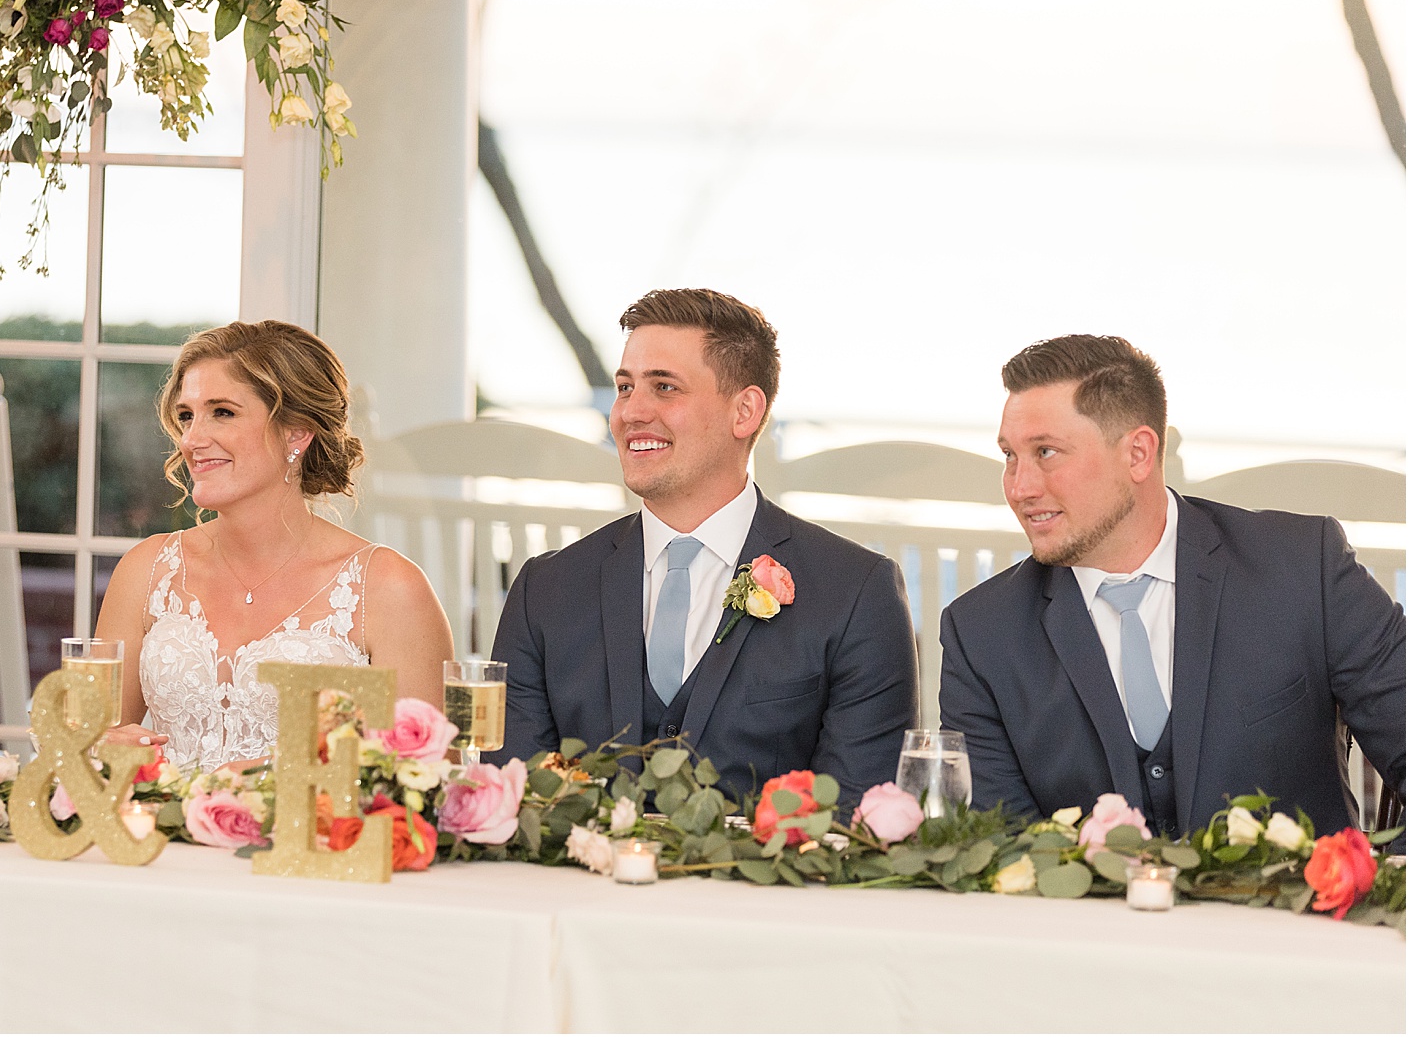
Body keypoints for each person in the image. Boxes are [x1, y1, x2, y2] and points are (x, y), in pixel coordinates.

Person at [939, 335, 1405, 838]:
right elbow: (1002, 852)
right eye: (1010, 455)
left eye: (1046, 452)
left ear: (1138, 453)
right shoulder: (979, 634)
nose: (1019, 486)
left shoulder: (1303, 568)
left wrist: (1378, 889)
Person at [487, 289, 918, 804]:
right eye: (624, 388)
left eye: (664, 387)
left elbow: (857, 817)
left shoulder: (855, 592)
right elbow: (512, 799)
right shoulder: (546, 589)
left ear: (745, 411)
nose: (630, 413)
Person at [95, 320, 453, 772]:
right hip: (160, 839)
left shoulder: (388, 589)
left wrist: (274, 777)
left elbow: (432, 779)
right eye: (187, 416)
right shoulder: (146, 570)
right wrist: (106, 751)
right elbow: (89, 749)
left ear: (296, 433)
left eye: (222, 412)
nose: (191, 441)